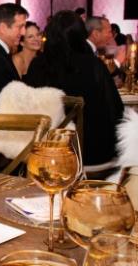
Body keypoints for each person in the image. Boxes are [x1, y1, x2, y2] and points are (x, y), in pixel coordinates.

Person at [25, 11, 123, 168]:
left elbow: (28, 109)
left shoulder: (37, 65)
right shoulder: (93, 65)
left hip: (48, 152)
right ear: (80, 36)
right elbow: (116, 110)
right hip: (93, 153)